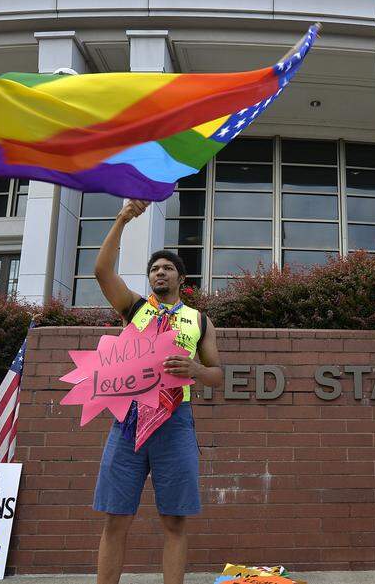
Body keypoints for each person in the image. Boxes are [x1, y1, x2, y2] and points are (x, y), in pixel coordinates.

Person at [92, 199, 224, 584]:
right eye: (154, 269)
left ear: (181, 278)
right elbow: (102, 271)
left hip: (175, 420)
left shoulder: (199, 320)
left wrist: (197, 370)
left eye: (167, 268)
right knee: (116, 517)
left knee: (174, 520)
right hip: (129, 419)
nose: (159, 272)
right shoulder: (134, 308)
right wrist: (123, 218)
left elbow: (217, 375)